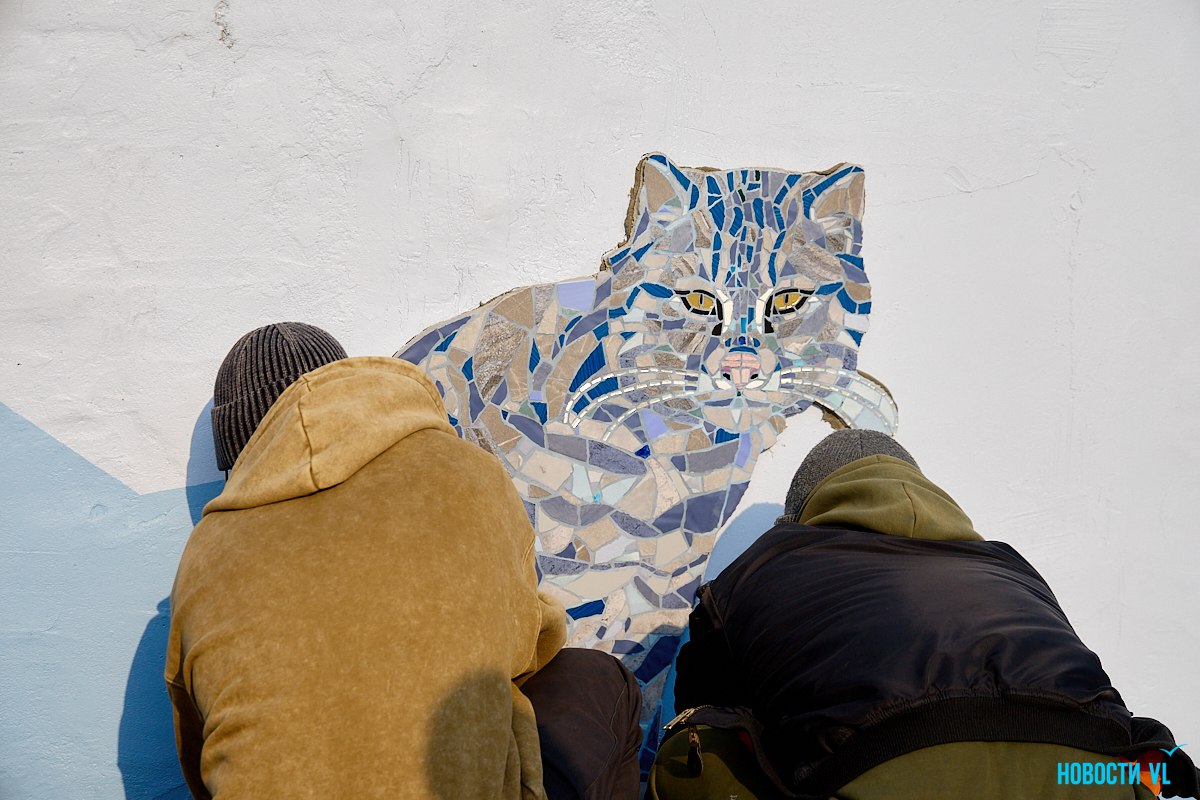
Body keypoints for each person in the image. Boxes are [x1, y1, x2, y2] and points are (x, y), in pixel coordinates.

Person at [166, 322, 642, 799]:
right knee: (596, 677)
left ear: (235, 450)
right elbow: (525, 646)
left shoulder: (205, 553)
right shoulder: (467, 472)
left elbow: (199, 750)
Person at [650, 429, 1198, 800]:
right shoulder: (1009, 564)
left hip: (890, 768)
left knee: (691, 757)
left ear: (808, 509)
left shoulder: (764, 564)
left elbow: (700, 714)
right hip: (1093, 769)